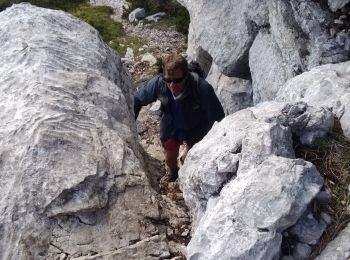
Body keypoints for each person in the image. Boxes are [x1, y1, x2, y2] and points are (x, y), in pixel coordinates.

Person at [134, 53, 225, 182]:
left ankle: (185, 168)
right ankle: (173, 172)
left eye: (177, 80)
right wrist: (129, 125)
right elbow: (137, 99)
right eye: (168, 80)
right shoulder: (159, 83)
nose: (172, 85)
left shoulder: (201, 87)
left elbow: (218, 117)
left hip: (197, 126)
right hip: (171, 124)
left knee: (191, 156)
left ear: (186, 76)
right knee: (170, 157)